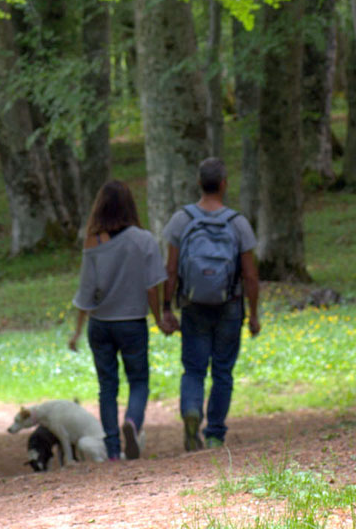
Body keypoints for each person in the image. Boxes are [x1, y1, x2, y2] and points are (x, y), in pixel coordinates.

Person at [161, 157, 260, 451]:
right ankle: (215, 433)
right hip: (230, 304)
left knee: (193, 369)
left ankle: (192, 411)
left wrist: (166, 306)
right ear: (224, 184)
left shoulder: (182, 220)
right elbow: (251, 275)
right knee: (222, 371)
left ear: (199, 184)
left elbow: (170, 269)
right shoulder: (238, 223)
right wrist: (254, 314)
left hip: (193, 305)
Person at [69, 180, 169, 461]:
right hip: (132, 322)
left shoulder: (93, 241)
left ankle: (113, 450)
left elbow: (86, 291)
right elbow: (152, 286)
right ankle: (133, 422)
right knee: (138, 381)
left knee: (107, 388)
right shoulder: (144, 239)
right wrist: (159, 319)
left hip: (100, 324)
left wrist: (77, 331)